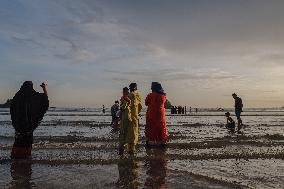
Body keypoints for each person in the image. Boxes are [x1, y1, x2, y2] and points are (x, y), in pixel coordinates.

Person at [10, 81, 49, 159]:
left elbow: (12, 109)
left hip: (19, 127)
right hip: (28, 127)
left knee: (18, 143)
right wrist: (44, 88)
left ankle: (15, 160)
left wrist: (16, 123)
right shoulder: (33, 96)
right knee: (27, 144)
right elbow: (45, 100)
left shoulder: (18, 96)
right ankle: (26, 161)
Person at [145, 82, 167, 147]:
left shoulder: (150, 95)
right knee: (160, 127)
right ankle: (161, 142)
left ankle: (151, 142)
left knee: (151, 128)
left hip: (151, 114)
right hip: (160, 114)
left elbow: (146, 103)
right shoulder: (163, 96)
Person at [128, 83, 142, 154]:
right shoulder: (138, 95)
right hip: (135, 117)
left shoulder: (129, 95)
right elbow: (140, 107)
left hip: (129, 117)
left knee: (129, 133)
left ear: (130, 88)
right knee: (135, 132)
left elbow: (126, 107)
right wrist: (137, 113)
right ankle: (133, 148)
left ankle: (130, 150)